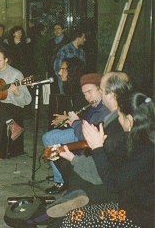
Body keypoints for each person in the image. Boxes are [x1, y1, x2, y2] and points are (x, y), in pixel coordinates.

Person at [52, 91, 153, 227]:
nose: (118, 119)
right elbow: (113, 165)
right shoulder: (137, 137)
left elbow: (112, 183)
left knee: (72, 221)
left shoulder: (146, 149)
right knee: (71, 215)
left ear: (130, 120)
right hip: (130, 204)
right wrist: (73, 157)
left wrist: (98, 148)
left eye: (120, 115)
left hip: (139, 217)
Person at [44, 72, 133, 226]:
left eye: (102, 90)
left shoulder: (118, 125)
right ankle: (68, 201)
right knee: (76, 181)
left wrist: (77, 156)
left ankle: (67, 207)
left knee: (70, 213)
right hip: (117, 182)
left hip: (127, 200)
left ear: (110, 95)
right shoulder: (119, 118)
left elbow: (105, 174)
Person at [43, 73, 109, 194]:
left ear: (101, 90)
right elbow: (86, 119)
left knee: (50, 139)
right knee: (49, 136)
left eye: (90, 92)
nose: (87, 97)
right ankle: (60, 176)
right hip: (79, 129)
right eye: (85, 94)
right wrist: (69, 120)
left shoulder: (105, 108)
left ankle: (60, 180)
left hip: (85, 139)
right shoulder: (94, 104)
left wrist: (75, 122)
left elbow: (86, 136)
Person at [54, 29, 87, 94]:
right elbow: (57, 67)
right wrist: (63, 78)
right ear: (78, 37)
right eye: (83, 37)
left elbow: (83, 68)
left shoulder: (81, 52)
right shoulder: (64, 50)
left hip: (77, 83)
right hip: (66, 83)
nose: (85, 39)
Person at [46, 23, 69, 94]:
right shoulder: (51, 42)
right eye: (55, 29)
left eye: (58, 29)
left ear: (63, 30)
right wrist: (47, 70)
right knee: (53, 91)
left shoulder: (67, 42)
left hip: (63, 70)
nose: (56, 31)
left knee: (63, 90)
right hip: (52, 70)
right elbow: (47, 56)